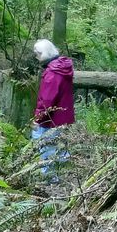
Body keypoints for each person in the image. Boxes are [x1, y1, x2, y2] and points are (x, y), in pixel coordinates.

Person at [31, 39, 75, 181]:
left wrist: (38, 119)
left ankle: (51, 181)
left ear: (44, 53)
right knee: (60, 149)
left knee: (45, 147)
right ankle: (65, 178)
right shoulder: (63, 67)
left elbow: (47, 101)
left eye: (37, 54)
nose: (36, 57)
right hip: (64, 117)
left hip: (51, 120)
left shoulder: (53, 73)